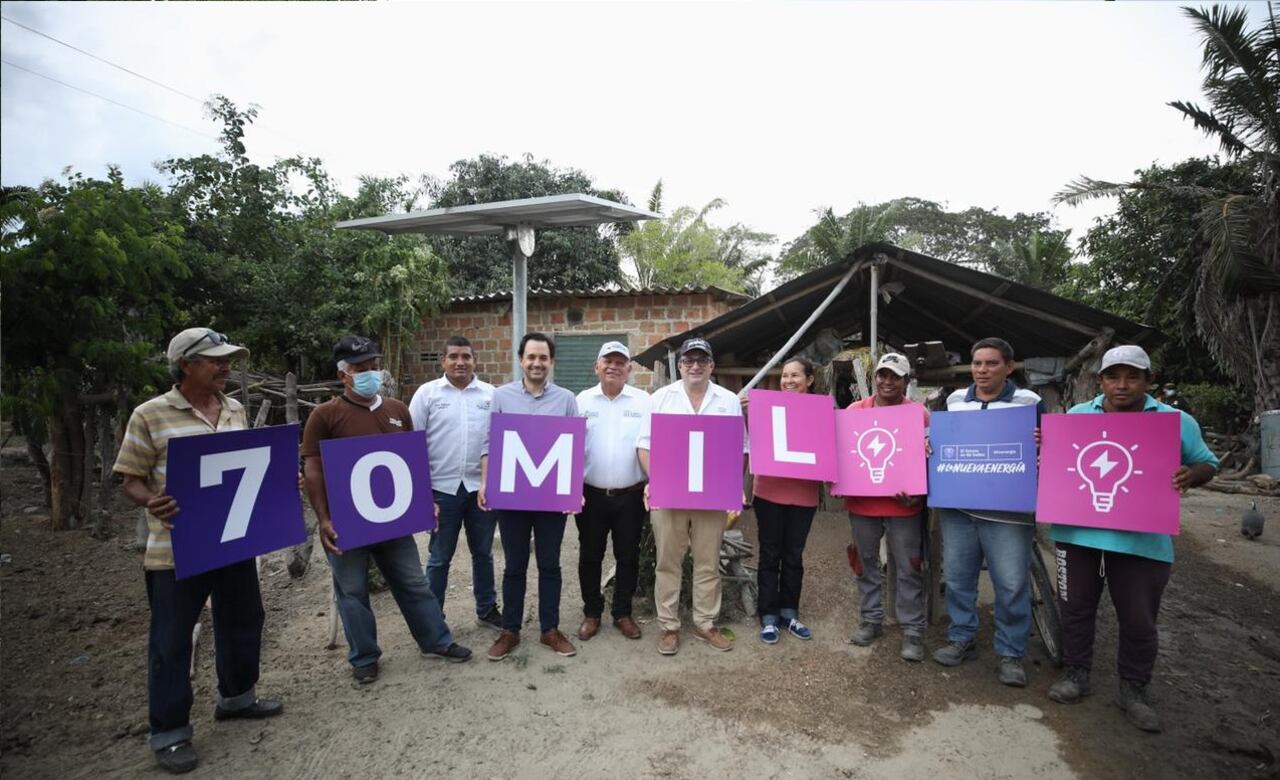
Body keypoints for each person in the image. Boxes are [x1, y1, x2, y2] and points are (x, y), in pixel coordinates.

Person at [114, 328, 283, 774]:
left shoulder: (234, 409)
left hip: (234, 541)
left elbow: (245, 470)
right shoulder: (150, 415)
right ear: (186, 365)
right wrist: (150, 498)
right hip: (176, 548)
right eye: (216, 360)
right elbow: (130, 477)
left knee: (244, 618)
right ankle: (169, 733)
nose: (226, 366)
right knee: (171, 639)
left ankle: (237, 697)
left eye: (228, 359)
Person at [1047, 345, 1218, 733]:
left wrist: (1191, 475)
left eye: (1132, 377)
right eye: (1113, 376)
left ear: (1148, 380)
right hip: (1078, 535)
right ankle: (1076, 672)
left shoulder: (1176, 421)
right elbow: (1061, 464)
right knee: (1074, 607)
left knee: (1139, 619)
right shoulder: (1076, 416)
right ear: (1101, 380)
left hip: (1143, 539)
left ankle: (1134, 688)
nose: (1121, 385)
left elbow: (1207, 462)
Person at [303, 335, 471, 685]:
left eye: (374, 367)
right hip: (347, 524)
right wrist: (323, 519)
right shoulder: (325, 416)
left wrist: (425, 503)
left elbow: (412, 463)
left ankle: (436, 641)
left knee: (413, 582)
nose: (370, 373)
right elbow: (313, 469)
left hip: (394, 520)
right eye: (360, 369)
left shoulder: (397, 411)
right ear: (343, 376)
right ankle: (364, 657)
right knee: (351, 591)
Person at [933, 337, 1043, 688]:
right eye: (977, 363)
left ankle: (1011, 652)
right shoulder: (953, 401)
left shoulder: (1030, 402)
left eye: (991, 363)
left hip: (1008, 511)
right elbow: (942, 444)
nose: (982, 370)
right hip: (959, 507)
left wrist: (1044, 444)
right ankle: (961, 637)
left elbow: (1048, 450)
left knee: (1011, 583)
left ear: (1009, 367)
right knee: (957, 577)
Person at [637, 338, 747, 656]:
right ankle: (669, 627)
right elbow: (645, 446)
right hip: (669, 495)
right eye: (689, 361)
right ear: (680, 365)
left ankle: (705, 623)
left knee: (707, 562)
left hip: (711, 496)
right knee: (668, 562)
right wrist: (655, 480)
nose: (695, 366)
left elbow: (740, 448)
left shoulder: (726, 400)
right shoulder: (660, 398)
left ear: (712, 366)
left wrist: (732, 485)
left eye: (702, 360)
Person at [479, 333, 581, 661]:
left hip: (550, 499)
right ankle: (511, 630)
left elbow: (576, 448)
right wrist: (485, 483)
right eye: (531, 357)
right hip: (512, 498)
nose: (537, 363)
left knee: (550, 564)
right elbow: (489, 444)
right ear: (521, 359)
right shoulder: (501, 396)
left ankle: (549, 629)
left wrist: (574, 488)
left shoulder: (566, 399)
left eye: (543, 358)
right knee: (514, 565)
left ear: (551, 362)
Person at [408, 336, 502, 631]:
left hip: (481, 489)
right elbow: (413, 445)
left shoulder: (491, 395)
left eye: (466, 356)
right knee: (439, 557)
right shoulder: (427, 394)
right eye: (454, 357)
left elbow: (501, 442)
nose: (460, 362)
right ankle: (433, 618)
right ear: (443, 361)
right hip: (441, 490)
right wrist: (423, 495)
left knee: (483, 553)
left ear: (475, 360)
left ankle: (486, 609)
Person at [844, 353, 932, 662]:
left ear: (906, 381)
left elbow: (928, 458)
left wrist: (921, 493)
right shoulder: (855, 411)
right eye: (882, 374)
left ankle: (912, 630)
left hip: (904, 506)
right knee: (865, 563)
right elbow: (845, 452)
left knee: (908, 567)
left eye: (895, 376)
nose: (886, 381)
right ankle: (871, 620)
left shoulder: (919, 414)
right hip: (863, 504)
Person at [575, 341, 650, 641]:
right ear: (596, 367)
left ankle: (622, 613)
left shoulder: (645, 402)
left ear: (629, 369)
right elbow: (568, 447)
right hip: (590, 494)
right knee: (590, 555)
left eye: (620, 362)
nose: (613, 367)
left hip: (631, 495)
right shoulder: (580, 401)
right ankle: (592, 612)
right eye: (608, 361)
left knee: (628, 556)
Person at [751, 357, 822, 644]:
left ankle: (789, 613)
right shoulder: (767, 408)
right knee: (769, 553)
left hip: (804, 495)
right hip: (768, 492)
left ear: (810, 379)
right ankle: (768, 616)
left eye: (795, 376)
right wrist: (744, 409)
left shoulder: (822, 410)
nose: (788, 381)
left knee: (793, 555)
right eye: (784, 376)